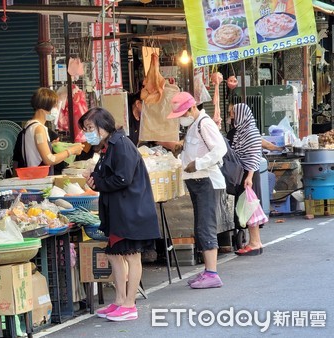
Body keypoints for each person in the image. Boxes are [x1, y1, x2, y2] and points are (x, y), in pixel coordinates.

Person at [80, 107, 160, 321]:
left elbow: (122, 179)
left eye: (90, 128)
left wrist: (99, 183)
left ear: (104, 126)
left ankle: (130, 304)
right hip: (118, 209)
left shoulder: (121, 145)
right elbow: (106, 176)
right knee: (114, 255)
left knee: (132, 256)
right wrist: (94, 180)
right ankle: (119, 300)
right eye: (86, 129)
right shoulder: (108, 146)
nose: (88, 132)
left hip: (130, 210)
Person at [165, 92, 227, 289]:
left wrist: (198, 164)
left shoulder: (204, 123)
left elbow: (219, 150)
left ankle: (212, 273)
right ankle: (208, 271)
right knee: (200, 226)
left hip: (206, 181)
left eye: (183, 113)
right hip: (198, 182)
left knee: (205, 226)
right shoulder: (194, 124)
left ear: (192, 108)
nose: (181, 118)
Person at [226, 103, 265, 255]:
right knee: (246, 207)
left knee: (249, 207)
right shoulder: (240, 131)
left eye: (233, 114)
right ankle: (253, 242)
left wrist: (249, 177)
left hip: (248, 175)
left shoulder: (250, 132)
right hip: (243, 174)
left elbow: (254, 156)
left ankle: (255, 242)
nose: (231, 116)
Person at [22, 88, 84, 173]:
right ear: (44, 108)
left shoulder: (29, 125)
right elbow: (49, 159)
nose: (56, 109)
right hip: (40, 179)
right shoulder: (39, 129)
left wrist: (50, 145)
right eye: (54, 106)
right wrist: (71, 150)